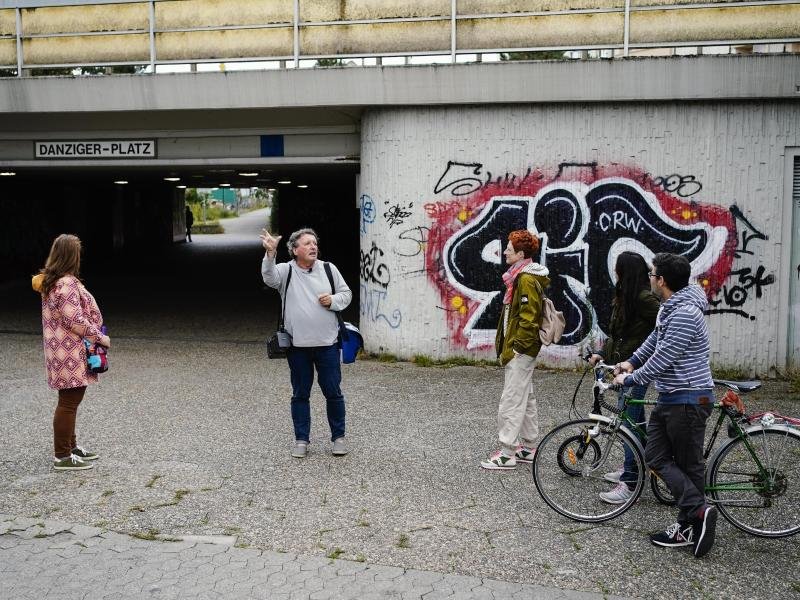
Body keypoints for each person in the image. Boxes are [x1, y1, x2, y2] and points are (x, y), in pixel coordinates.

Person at [613, 252, 717, 558]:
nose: (650, 279)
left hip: (688, 398)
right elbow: (654, 343)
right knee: (655, 457)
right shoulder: (671, 308)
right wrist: (630, 363)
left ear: (662, 281)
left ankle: (693, 519)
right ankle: (696, 513)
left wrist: (630, 380)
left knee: (688, 465)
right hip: (672, 397)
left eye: (652, 274)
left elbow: (664, 358)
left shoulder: (685, 313)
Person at [260, 227, 352, 459]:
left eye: (315, 243)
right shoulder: (285, 271)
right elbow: (268, 278)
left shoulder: (329, 269)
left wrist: (333, 300)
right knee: (300, 394)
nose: (313, 246)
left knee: (333, 392)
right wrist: (270, 254)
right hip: (297, 347)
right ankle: (301, 440)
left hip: (327, 344)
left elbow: (346, 294)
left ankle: (338, 438)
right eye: (307, 243)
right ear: (294, 249)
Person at [32, 234, 111, 471]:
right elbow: (74, 320)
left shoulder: (54, 281)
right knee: (68, 402)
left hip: (63, 351)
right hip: (70, 352)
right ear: (70, 256)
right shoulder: (65, 284)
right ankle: (62, 456)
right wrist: (100, 338)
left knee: (69, 401)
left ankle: (71, 447)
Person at [589, 251, 659, 504]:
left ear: (624, 271)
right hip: (622, 366)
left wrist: (640, 358)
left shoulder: (644, 299)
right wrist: (599, 353)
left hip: (635, 369)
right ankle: (640, 464)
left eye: (617, 268)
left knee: (628, 422)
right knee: (636, 421)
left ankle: (630, 480)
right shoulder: (626, 296)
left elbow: (665, 327)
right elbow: (617, 335)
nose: (614, 272)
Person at [481, 230, 550, 470]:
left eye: (510, 248)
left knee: (511, 399)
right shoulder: (520, 277)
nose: (506, 251)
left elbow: (528, 319)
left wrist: (517, 349)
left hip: (521, 351)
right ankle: (529, 447)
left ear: (521, 254)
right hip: (523, 351)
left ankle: (507, 452)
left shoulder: (525, 279)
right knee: (525, 397)